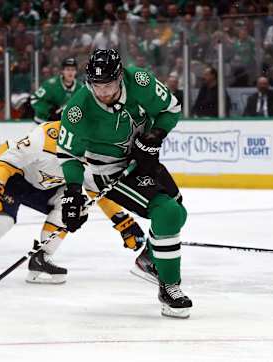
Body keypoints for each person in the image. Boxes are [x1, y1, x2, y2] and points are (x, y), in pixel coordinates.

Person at [57, 49, 192, 318]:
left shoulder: (140, 81)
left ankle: (148, 259)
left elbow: (171, 109)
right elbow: (68, 155)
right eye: (97, 86)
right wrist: (72, 193)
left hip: (141, 160)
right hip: (107, 171)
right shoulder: (77, 109)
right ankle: (169, 288)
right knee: (167, 212)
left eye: (108, 85)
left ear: (120, 77)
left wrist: (154, 135)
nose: (103, 92)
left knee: (177, 212)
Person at [0, 120, 146, 290]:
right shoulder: (45, 137)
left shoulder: (97, 156)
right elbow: (6, 160)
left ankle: (41, 258)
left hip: (47, 189)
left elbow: (97, 191)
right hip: (16, 179)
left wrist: (124, 224)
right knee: (2, 220)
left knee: (75, 206)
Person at [30, 57, 83, 124]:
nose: (70, 72)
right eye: (67, 69)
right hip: (42, 122)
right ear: (62, 71)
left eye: (73, 69)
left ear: (76, 71)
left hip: (65, 125)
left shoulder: (80, 88)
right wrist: (49, 110)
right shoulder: (50, 85)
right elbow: (34, 99)